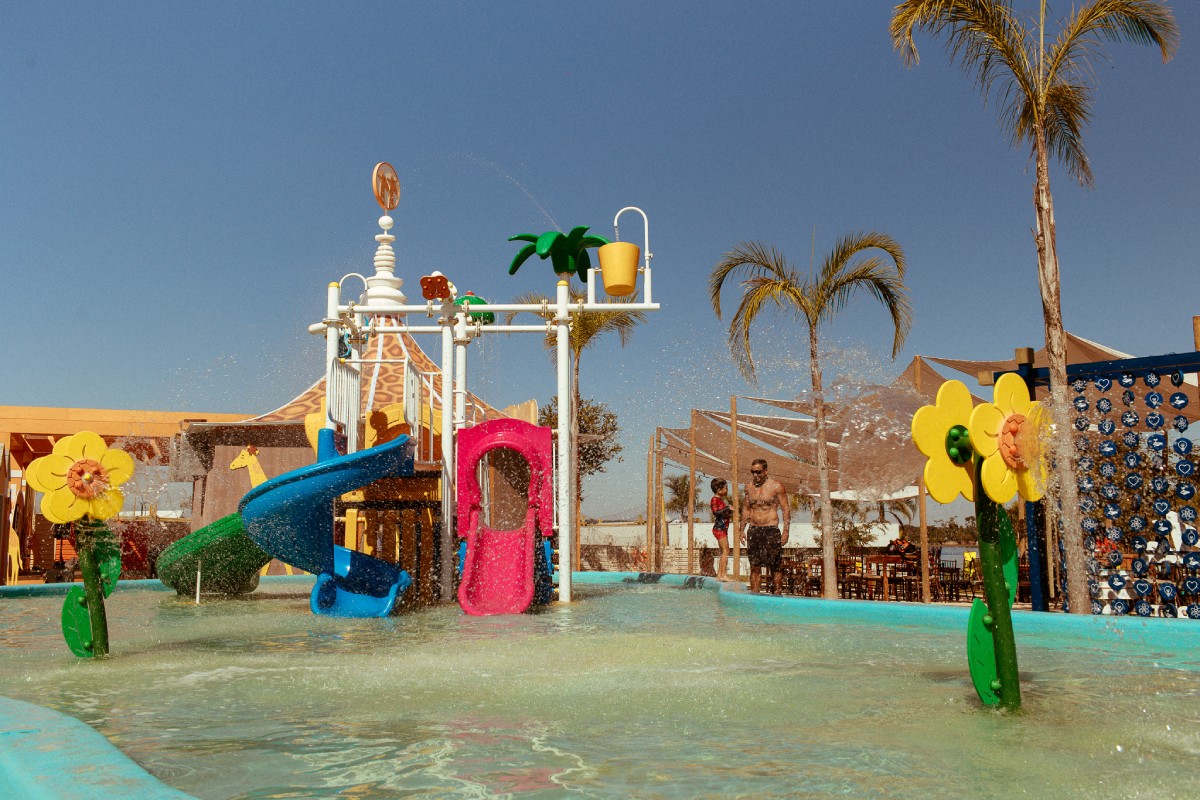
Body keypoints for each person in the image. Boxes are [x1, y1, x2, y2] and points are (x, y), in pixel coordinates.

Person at [739, 458, 790, 594]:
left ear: (765, 471)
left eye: (758, 472)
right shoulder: (749, 487)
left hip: (771, 529)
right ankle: (755, 596)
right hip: (754, 529)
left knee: (775, 566)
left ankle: (777, 595)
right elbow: (745, 508)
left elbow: (785, 509)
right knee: (754, 566)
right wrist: (741, 529)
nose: (755, 475)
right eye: (753, 472)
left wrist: (786, 531)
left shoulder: (776, 486)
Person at [710, 478, 733, 581]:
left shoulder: (720, 500)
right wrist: (727, 508)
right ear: (719, 490)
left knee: (724, 551)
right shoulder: (714, 499)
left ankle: (719, 575)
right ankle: (723, 575)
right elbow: (716, 512)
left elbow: (723, 513)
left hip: (722, 528)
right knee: (725, 551)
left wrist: (730, 511)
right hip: (719, 528)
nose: (727, 490)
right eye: (726, 488)